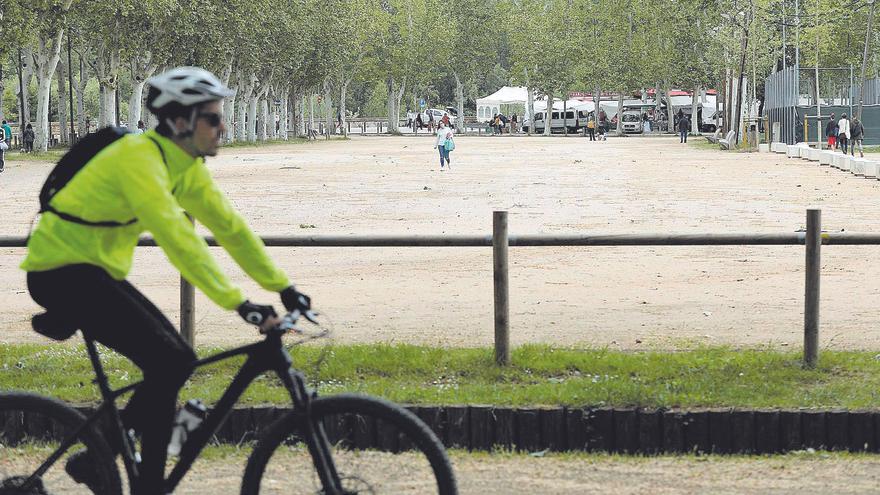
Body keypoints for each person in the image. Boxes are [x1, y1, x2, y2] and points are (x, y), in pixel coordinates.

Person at [21, 66, 313, 495]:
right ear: (180, 122)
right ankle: (118, 465)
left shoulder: (184, 166)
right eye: (213, 119)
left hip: (94, 272)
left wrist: (282, 286)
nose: (223, 127)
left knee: (176, 360)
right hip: (60, 272)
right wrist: (240, 304)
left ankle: (104, 456)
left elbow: (231, 229)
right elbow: (179, 239)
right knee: (170, 360)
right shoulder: (139, 159)